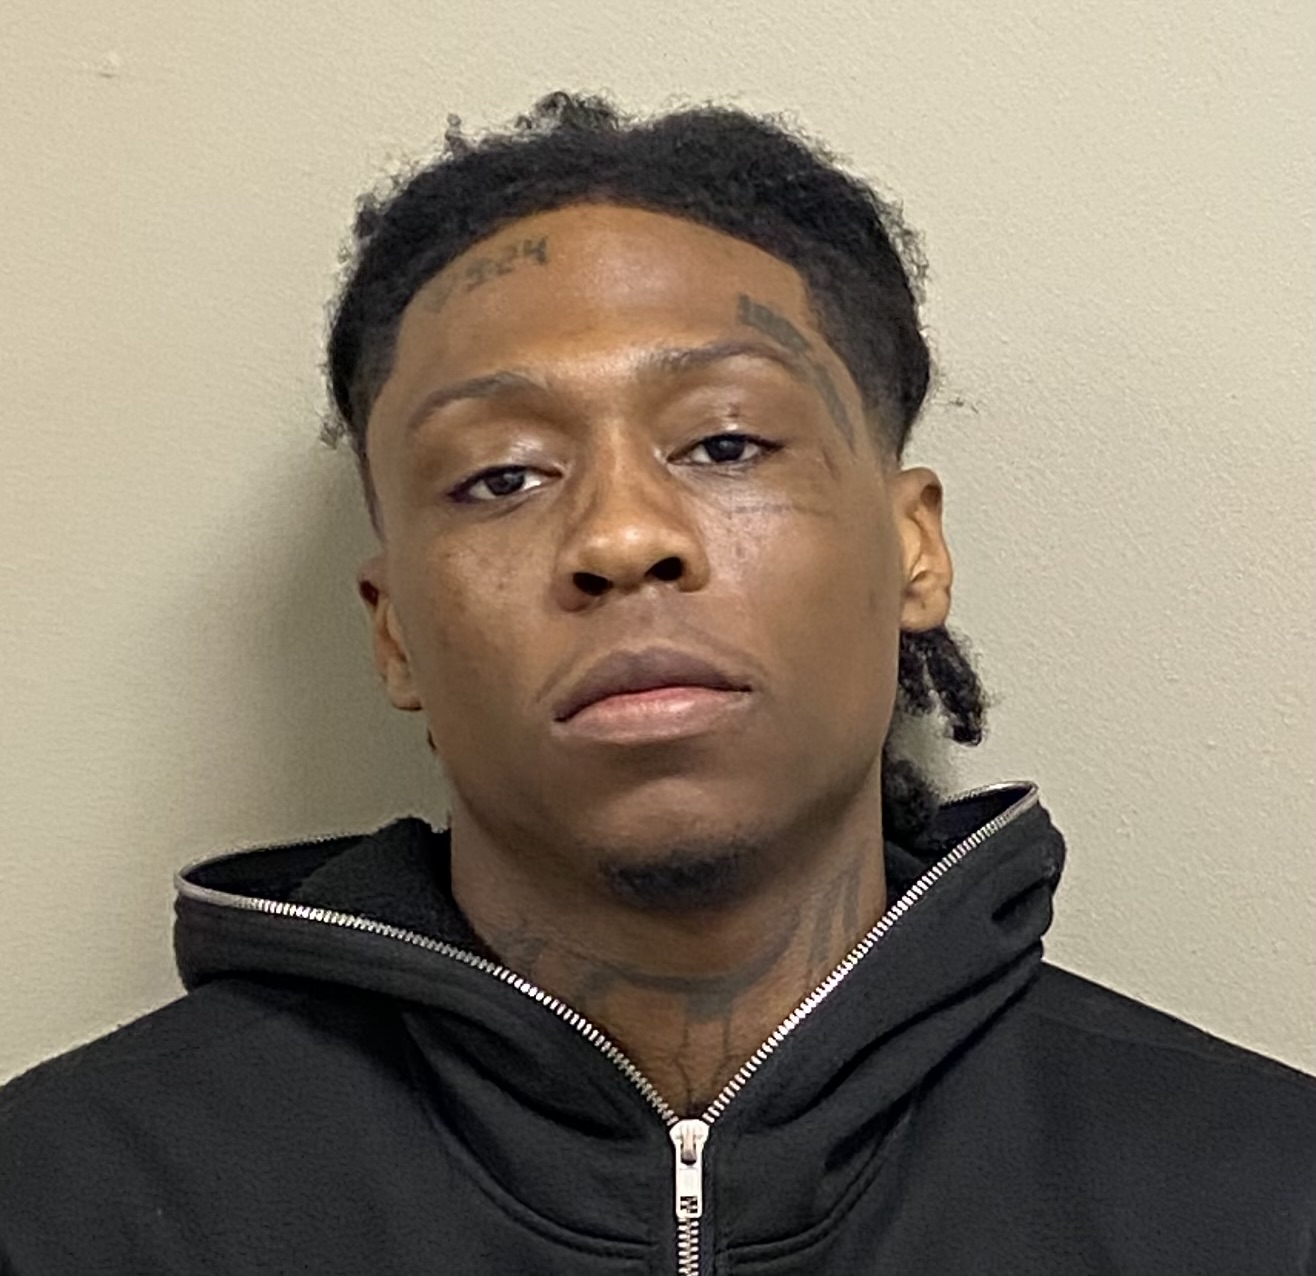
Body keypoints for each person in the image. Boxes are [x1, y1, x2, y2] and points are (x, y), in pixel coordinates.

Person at [1, 90, 1312, 1275]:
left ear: (914, 546)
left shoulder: (1266, 1198)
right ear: (393, 632)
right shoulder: (57, 1204)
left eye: (726, 443)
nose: (624, 536)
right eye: (501, 476)